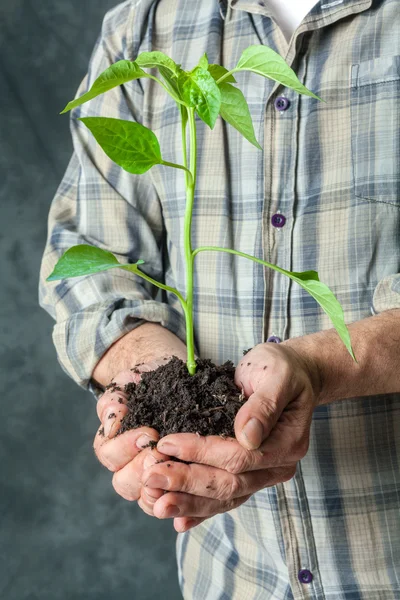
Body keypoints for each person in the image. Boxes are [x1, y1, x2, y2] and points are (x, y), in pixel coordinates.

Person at [39, 0, 400, 598]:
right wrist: (141, 371)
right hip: (234, 574)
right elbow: (89, 253)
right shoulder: (144, 27)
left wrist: (319, 365)